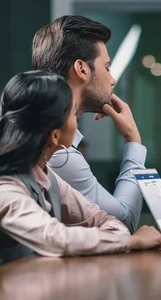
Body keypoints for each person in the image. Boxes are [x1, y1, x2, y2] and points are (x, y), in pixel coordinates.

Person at [0, 71, 161, 281]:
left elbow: (106, 221)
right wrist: (133, 242)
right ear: (55, 135)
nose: (77, 122)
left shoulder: (47, 178)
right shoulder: (3, 188)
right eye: (73, 113)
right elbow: (55, 238)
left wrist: (119, 238)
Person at [32, 15, 146, 233]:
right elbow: (124, 223)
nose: (112, 79)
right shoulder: (59, 154)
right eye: (107, 67)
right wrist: (133, 141)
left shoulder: (43, 137)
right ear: (82, 69)